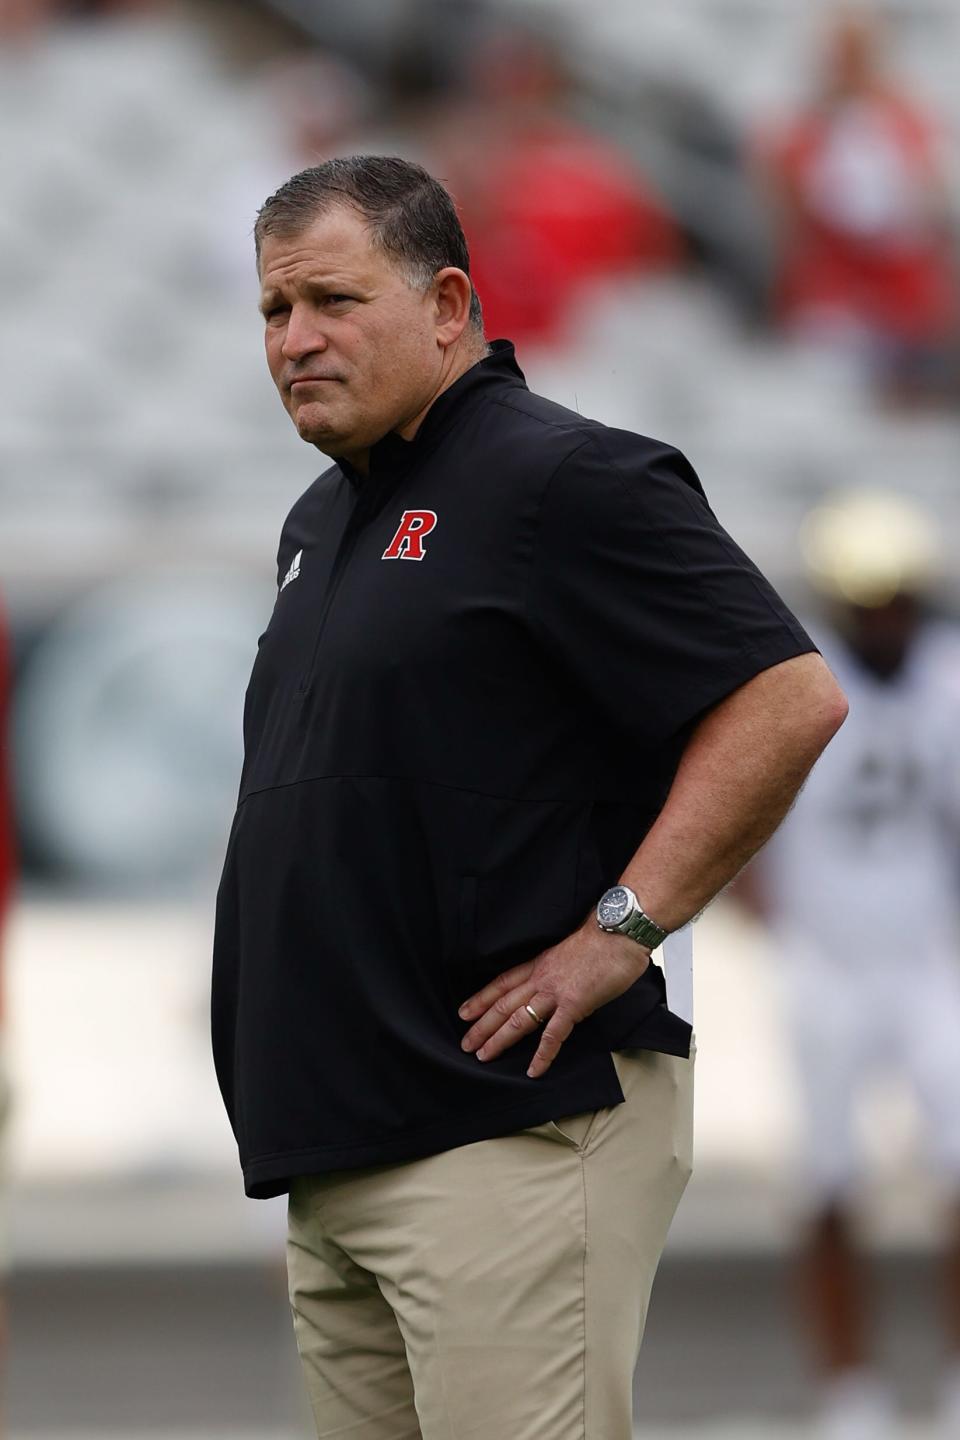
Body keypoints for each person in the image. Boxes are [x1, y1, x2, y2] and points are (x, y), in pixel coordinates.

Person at [211, 154, 847, 1440]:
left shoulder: (563, 478)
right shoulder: (318, 523)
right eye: (275, 312)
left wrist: (622, 931)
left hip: (507, 1136)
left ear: (449, 304)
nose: (296, 340)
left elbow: (785, 697)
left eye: (332, 300)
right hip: (343, 1144)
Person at [737, 490, 960, 1440]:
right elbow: (738, 818)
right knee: (829, 1182)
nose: (887, 621)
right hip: (826, 964)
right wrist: (772, 909)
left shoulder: (950, 682)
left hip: (926, 961)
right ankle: (849, 1391)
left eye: (898, 599)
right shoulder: (795, 683)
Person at [758, 6, 958, 402]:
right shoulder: (803, 128)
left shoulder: (905, 121)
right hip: (832, 304)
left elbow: (918, 205)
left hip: (906, 307)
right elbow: (793, 206)